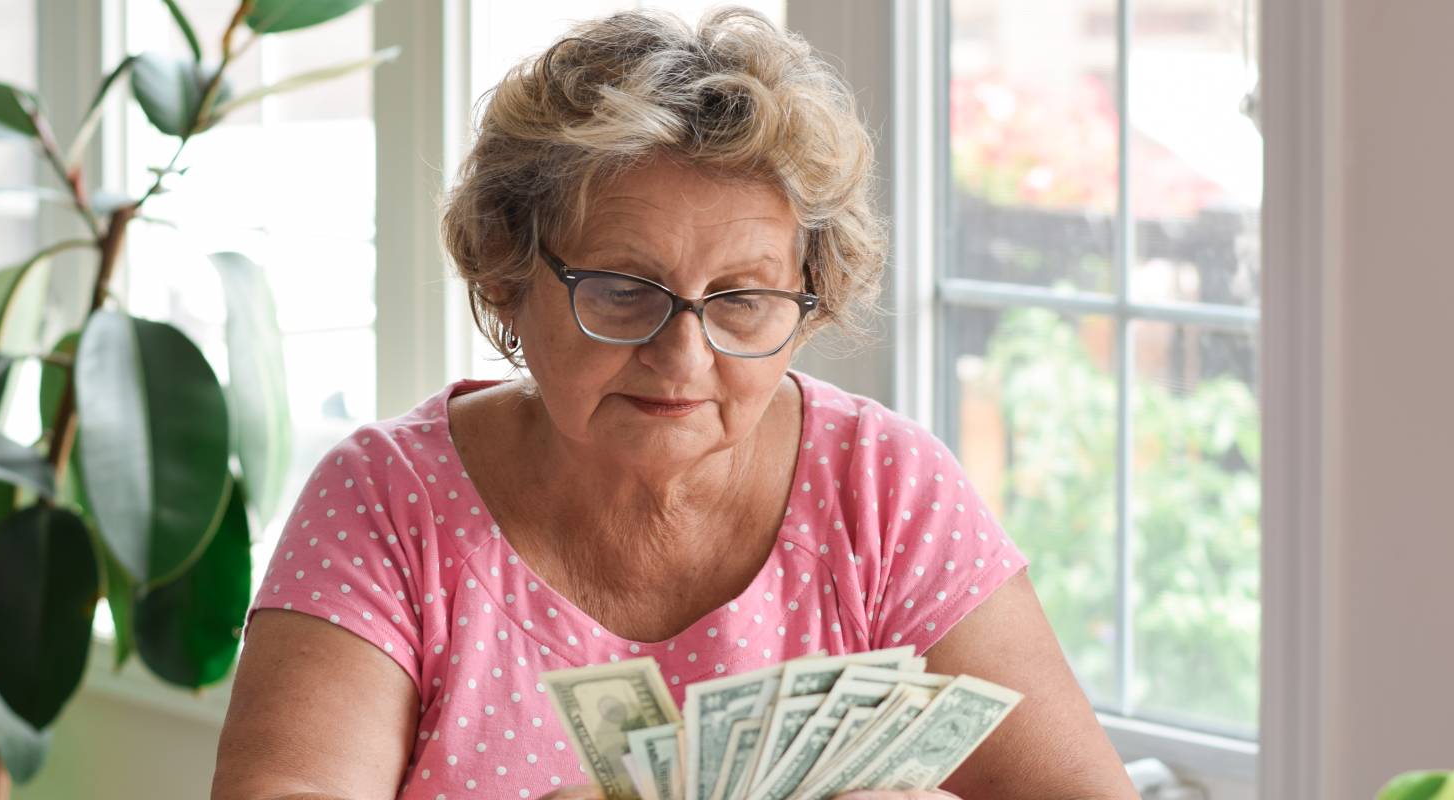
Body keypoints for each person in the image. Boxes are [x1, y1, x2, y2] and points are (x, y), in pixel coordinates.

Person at [213, 8, 1134, 799]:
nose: (682, 355)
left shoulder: (882, 489)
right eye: (621, 288)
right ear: (506, 273)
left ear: (812, 294)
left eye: (741, 298)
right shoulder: (384, 500)